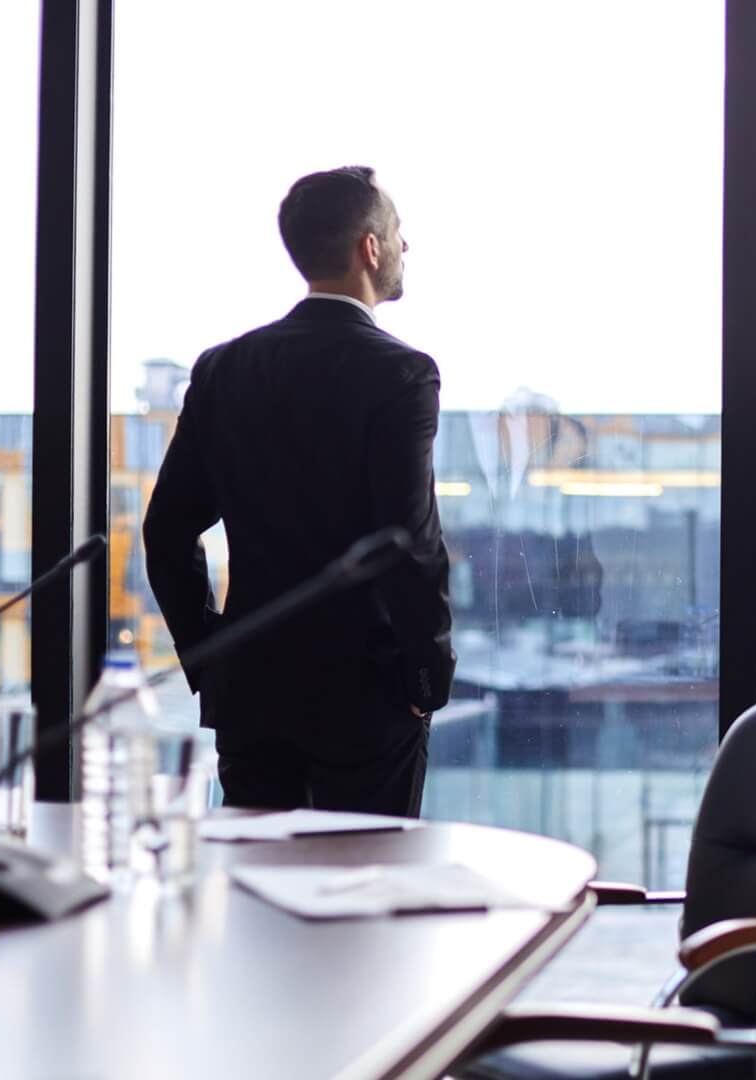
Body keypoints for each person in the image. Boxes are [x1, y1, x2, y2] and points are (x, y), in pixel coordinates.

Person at [143, 166, 454, 816]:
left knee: (255, 893)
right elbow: (409, 544)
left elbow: (166, 530)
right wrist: (428, 675)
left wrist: (210, 654)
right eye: (398, 234)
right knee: (365, 889)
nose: (405, 248)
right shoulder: (400, 372)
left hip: (251, 693)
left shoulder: (224, 367)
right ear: (370, 247)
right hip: (366, 695)